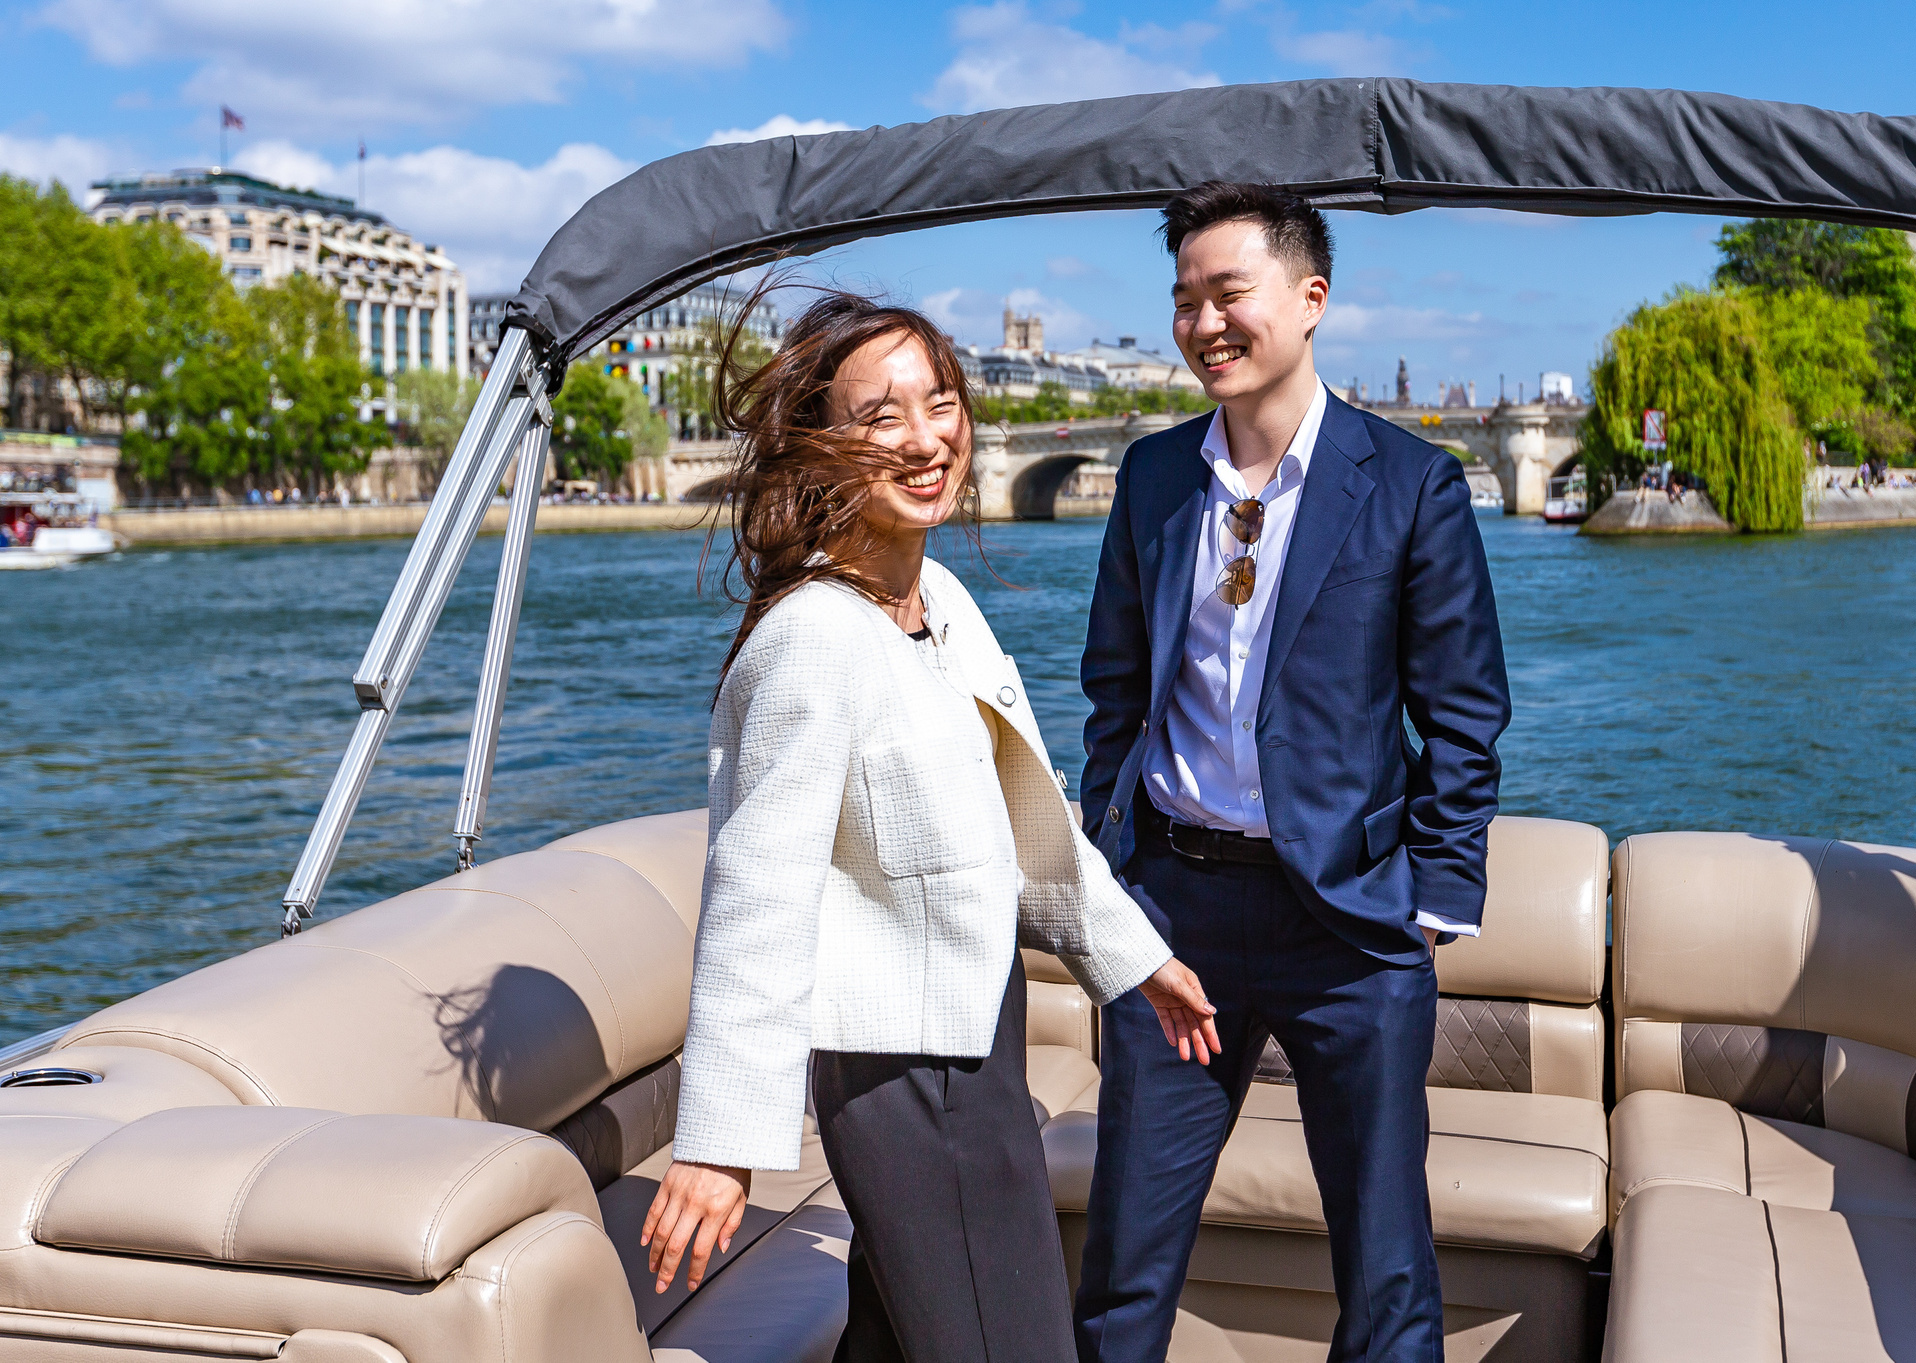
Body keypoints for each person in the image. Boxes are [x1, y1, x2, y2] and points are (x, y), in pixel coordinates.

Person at [642, 289, 1220, 1363]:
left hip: (975, 1041)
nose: (926, 438)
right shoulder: (814, 638)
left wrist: (1135, 958)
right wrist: (720, 1145)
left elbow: (1023, 820)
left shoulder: (941, 600)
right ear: (820, 450)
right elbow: (759, 896)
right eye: (881, 417)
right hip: (908, 1079)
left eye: (941, 402)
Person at [1072, 183, 1511, 1363]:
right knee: (1122, 1258)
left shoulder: (1410, 483)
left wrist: (1428, 906)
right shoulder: (1153, 477)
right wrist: (1112, 872)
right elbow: (1113, 690)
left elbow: (1463, 717)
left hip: (1350, 927)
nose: (1203, 322)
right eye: (1183, 301)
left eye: (1228, 294)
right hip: (1177, 913)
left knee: (1385, 1269)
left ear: (1310, 299)